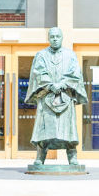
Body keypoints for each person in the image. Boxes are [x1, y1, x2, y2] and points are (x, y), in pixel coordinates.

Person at [26, 27, 88, 166]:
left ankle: (72, 157)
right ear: (48, 38)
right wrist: (49, 85)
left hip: (65, 96)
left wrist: (62, 84)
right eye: (52, 36)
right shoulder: (41, 55)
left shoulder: (70, 55)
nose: (55, 39)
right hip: (47, 97)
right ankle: (40, 157)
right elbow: (38, 72)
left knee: (68, 129)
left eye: (57, 36)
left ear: (62, 38)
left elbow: (75, 73)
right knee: (44, 128)